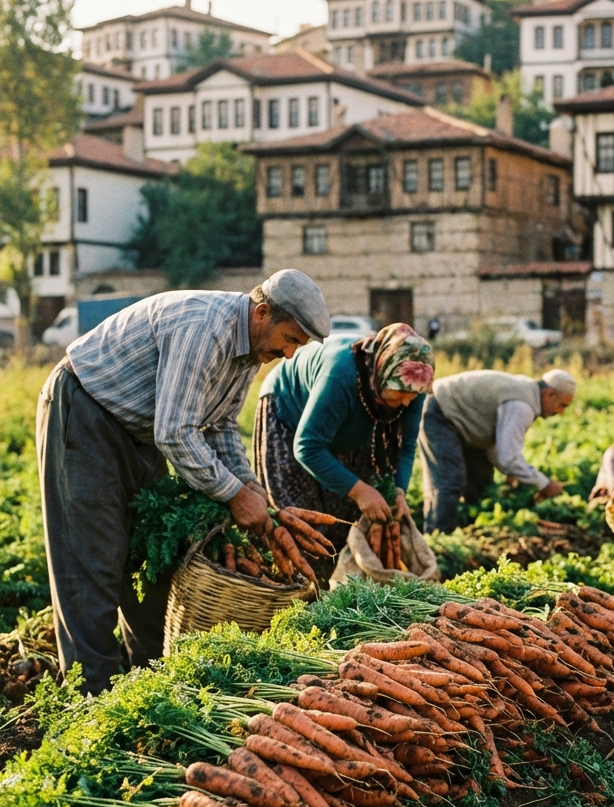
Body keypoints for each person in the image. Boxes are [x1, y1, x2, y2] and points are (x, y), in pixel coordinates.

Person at [37, 271, 330, 694]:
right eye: (290, 339)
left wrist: (249, 488)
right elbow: (175, 432)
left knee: (148, 561)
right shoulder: (205, 327)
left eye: (298, 347)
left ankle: (148, 686)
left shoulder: (249, 351)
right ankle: (90, 699)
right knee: (92, 563)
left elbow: (221, 425)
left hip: (138, 430)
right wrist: (232, 494)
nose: (288, 354)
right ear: (263, 312)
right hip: (86, 411)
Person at [253, 323, 434, 574]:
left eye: (413, 396)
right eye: (401, 393)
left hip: (350, 423)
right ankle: (298, 594)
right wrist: (360, 491)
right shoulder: (341, 373)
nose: (406, 401)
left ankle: (335, 585)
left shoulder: (412, 383)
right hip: (290, 414)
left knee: (347, 521)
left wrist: (399, 490)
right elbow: (308, 446)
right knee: (301, 525)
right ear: (382, 371)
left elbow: (405, 445)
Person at [419, 368, 576, 533]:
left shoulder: (526, 394)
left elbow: (498, 449)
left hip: (464, 422)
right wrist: (544, 484)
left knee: (480, 482)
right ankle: (437, 541)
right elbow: (509, 458)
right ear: (550, 394)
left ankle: (471, 533)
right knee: (449, 481)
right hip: (440, 411)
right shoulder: (522, 406)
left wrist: (513, 471)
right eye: (562, 405)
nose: (561, 412)